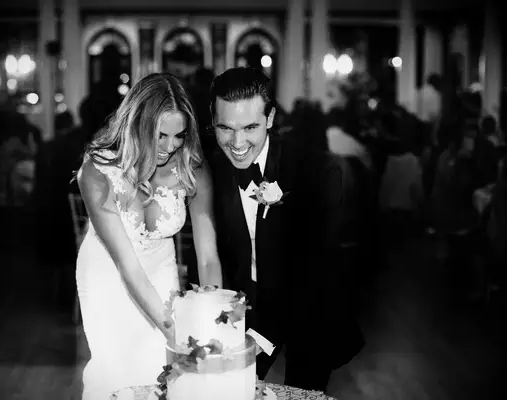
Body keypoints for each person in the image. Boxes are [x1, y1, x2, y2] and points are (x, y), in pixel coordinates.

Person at [207, 67, 364, 392]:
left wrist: (260, 338)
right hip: (248, 307)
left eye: (250, 127)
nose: (237, 143)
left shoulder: (318, 170)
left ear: (270, 118)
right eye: (226, 128)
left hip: (309, 309)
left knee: (303, 393)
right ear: (213, 121)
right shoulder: (211, 170)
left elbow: (319, 262)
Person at [76, 72, 222, 399]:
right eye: (161, 135)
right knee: (114, 372)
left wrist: (212, 317)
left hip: (160, 268)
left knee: (161, 368)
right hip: (109, 273)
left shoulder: (192, 167)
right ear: (137, 124)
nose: (171, 147)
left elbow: (208, 255)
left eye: (179, 135)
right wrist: (175, 329)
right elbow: (127, 266)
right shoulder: (98, 169)